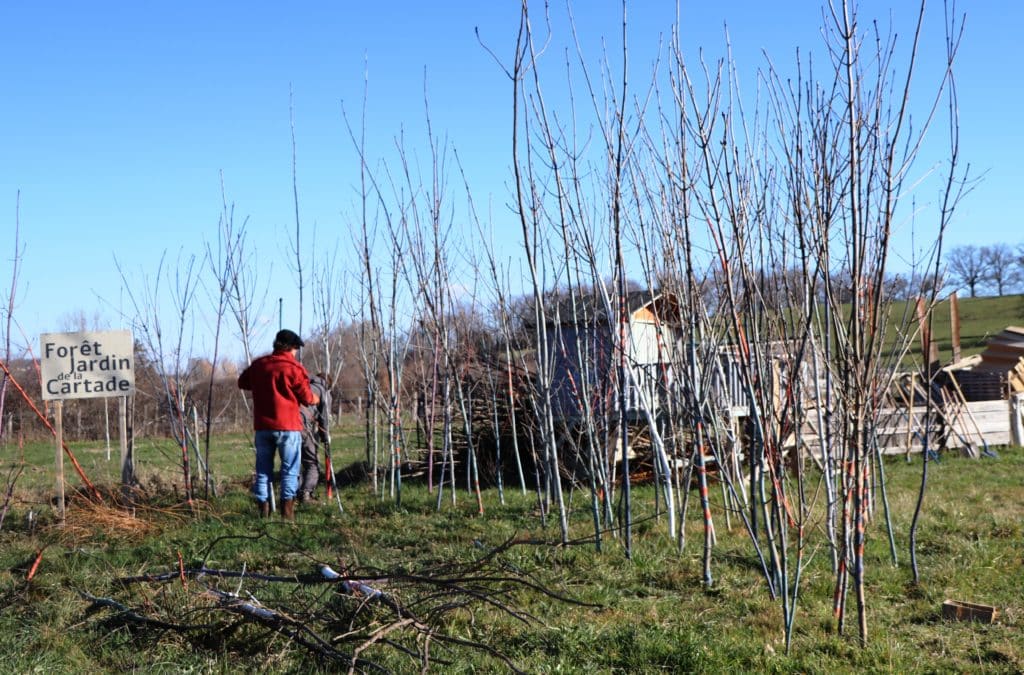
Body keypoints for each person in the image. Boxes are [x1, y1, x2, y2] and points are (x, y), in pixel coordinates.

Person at [238, 329, 319, 520]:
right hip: (288, 427)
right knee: (289, 470)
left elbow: (242, 382)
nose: (296, 353)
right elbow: (307, 397)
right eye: (296, 349)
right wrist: (315, 398)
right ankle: (287, 516)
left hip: (263, 427)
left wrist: (262, 386)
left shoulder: (259, 365)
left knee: (263, 471)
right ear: (291, 348)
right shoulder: (294, 368)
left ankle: (263, 514)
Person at [298, 373, 330, 502]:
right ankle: (306, 494)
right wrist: (325, 437)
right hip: (302, 426)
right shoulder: (323, 390)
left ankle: (293, 494)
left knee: (294, 462)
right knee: (312, 463)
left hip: (286, 425)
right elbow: (324, 417)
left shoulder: (303, 385)